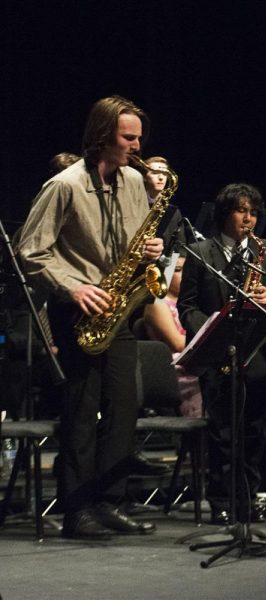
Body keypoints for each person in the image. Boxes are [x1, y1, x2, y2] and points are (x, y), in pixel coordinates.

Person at [16, 95, 162, 539]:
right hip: (77, 308)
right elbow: (29, 252)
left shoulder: (136, 182)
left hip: (118, 308)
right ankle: (76, 511)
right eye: (128, 137)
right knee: (81, 412)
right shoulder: (64, 185)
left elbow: (134, 243)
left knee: (123, 408)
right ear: (102, 136)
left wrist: (150, 252)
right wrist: (74, 286)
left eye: (139, 137)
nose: (137, 146)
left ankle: (110, 501)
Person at [178, 182, 266, 524]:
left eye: (253, 212)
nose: (248, 218)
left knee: (255, 430)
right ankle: (220, 499)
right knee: (223, 432)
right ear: (224, 214)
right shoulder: (201, 252)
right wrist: (213, 329)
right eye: (241, 211)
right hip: (218, 353)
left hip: (258, 352)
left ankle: (247, 498)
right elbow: (187, 307)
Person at [142, 256, 202, 418]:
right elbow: (179, 344)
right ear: (165, 273)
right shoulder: (157, 304)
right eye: (177, 270)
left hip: (199, 363)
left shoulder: (192, 302)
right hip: (180, 370)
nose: (184, 274)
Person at [140, 155, 184, 260]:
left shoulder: (173, 212)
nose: (161, 177)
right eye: (155, 173)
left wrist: (169, 274)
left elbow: (178, 246)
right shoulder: (133, 203)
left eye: (165, 173)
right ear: (144, 177)